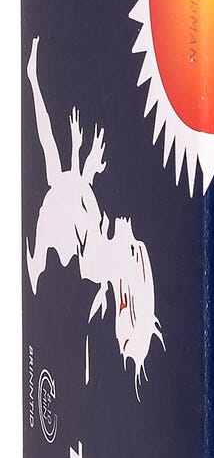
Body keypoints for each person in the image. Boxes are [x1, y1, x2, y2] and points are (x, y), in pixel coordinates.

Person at [25, 37, 163, 398]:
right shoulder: (102, 261)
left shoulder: (98, 269)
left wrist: (79, 155)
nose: (128, 230)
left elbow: (76, 199)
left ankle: (33, 80)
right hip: (62, 209)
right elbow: (79, 196)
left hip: (59, 213)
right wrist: (83, 160)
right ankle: (33, 79)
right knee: (51, 157)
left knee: (51, 157)